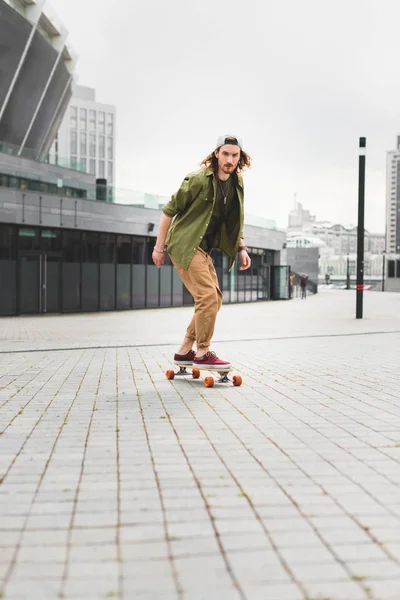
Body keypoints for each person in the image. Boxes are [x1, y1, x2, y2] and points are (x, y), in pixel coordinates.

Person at [152, 134, 252, 369]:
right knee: (206, 297)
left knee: (215, 299)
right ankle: (203, 352)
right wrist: (159, 248)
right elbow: (169, 211)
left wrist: (242, 248)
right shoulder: (198, 179)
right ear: (216, 153)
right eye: (225, 153)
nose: (229, 159)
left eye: (234, 155)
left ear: (240, 158)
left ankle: (185, 350)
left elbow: (236, 220)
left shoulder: (237, 183)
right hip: (185, 245)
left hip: (204, 248)